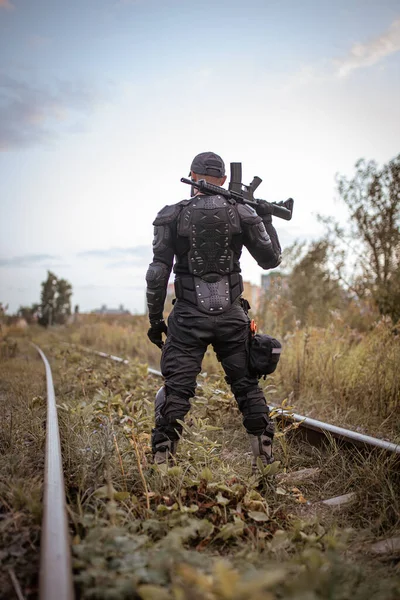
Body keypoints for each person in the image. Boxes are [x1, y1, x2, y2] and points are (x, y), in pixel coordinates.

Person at [145, 151, 282, 471]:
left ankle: (162, 466)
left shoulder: (172, 214)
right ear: (223, 180)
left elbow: (157, 273)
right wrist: (266, 218)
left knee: (176, 389)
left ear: (192, 177)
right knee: (247, 387)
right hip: (232, 316)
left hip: (189, 317)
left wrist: (155, 319)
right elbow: (271, 260)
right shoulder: (242, 212)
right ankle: (265, 466)